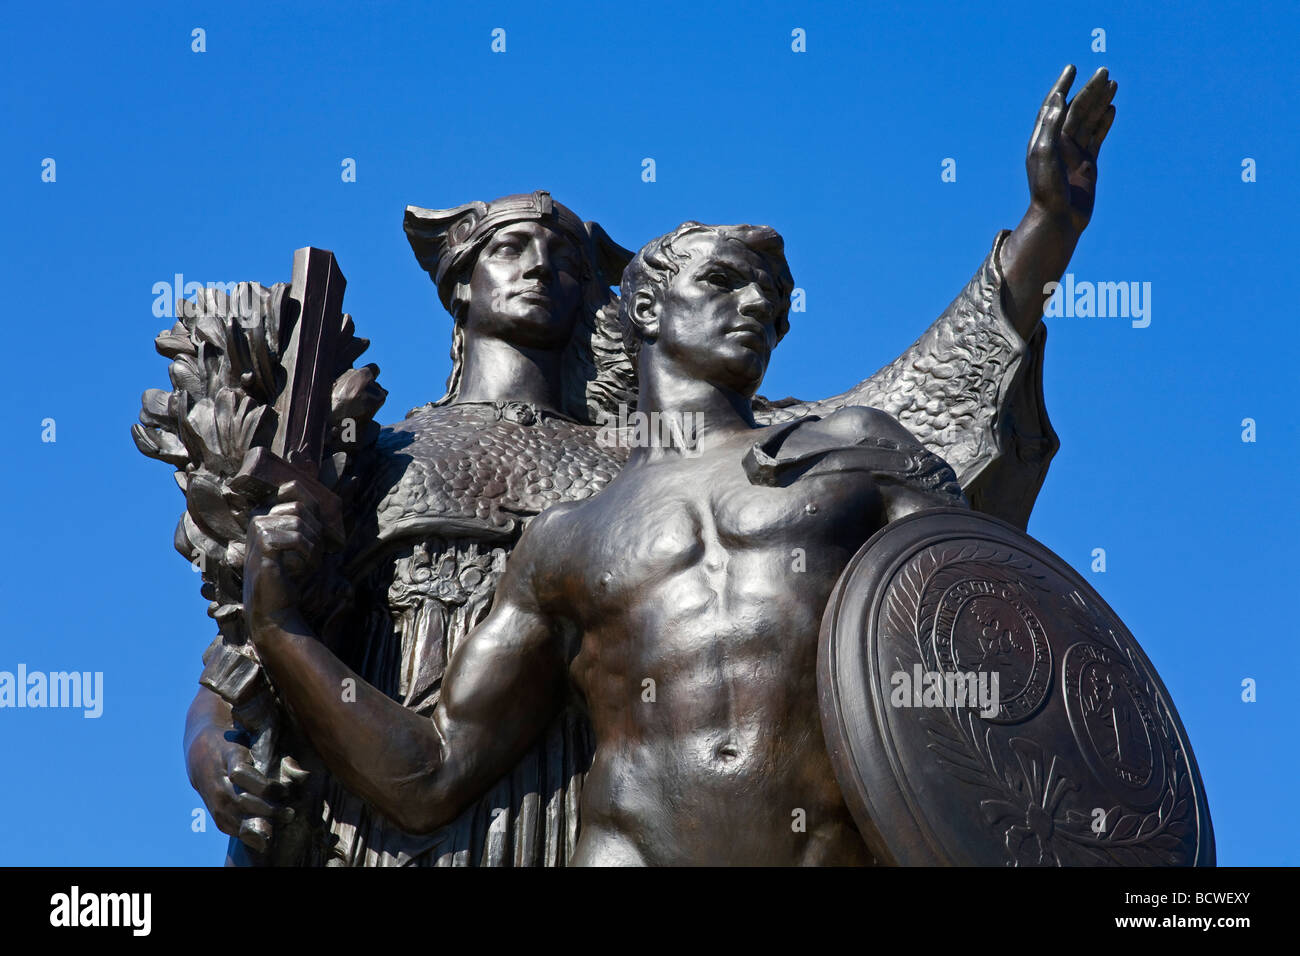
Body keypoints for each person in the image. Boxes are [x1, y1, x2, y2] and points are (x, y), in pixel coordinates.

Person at [240, 220, 969, 864]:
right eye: (723, 281)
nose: (757, 309)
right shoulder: (567, 539)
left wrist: (1040, 242)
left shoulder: (853, 455)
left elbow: (995, 645)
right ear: (645, 306)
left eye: (775, 306)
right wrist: (279, 628)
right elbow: (432, 776)